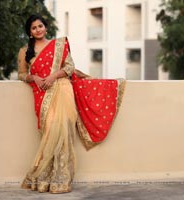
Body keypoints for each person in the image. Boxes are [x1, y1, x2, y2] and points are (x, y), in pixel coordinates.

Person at [18, 14, 125, 194]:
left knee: (64, 132)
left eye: (40, 26)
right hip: (42, 94)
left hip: (62, 88)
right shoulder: (24, 51)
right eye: (34, 28)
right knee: (50, 132)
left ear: (46, 27)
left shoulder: (59, 45)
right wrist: (34, 77)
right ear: (29, 32)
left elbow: (69, 67)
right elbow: (21, 74)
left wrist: (52, 76)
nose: (38, 30)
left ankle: (61, 180)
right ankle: (43, 179)